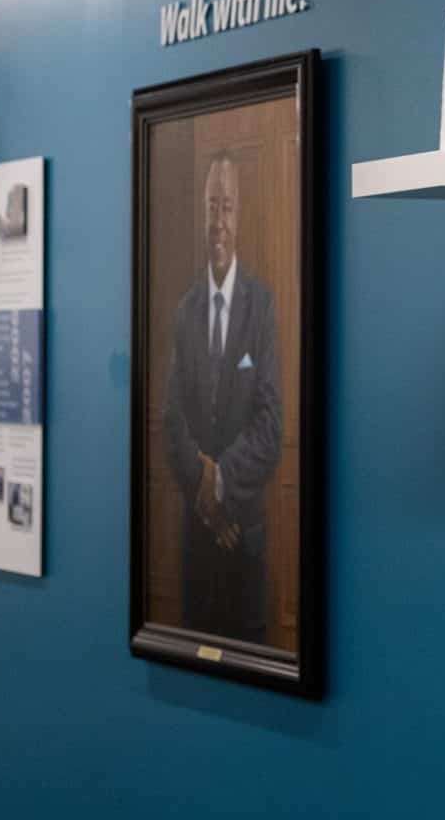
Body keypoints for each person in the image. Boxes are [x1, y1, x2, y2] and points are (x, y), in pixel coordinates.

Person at [163, 152, 283, 644]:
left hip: (243, 538)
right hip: (197, 540)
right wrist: (205, 498)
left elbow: (271, 424)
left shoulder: (263, 306)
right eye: (211, 206)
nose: (218, 222)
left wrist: (221, 484)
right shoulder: (184, 312)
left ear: (240, 215)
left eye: (227, 207)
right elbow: (172, 422)